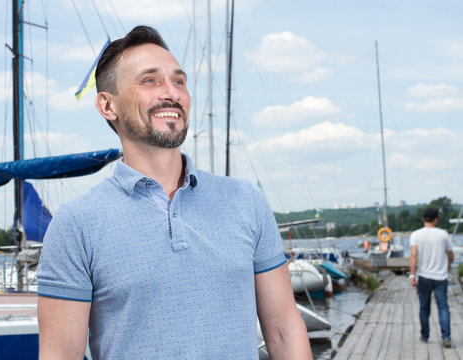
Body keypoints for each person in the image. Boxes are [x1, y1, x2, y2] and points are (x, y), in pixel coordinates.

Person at [37, 25, 311, 360]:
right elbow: (60, 354)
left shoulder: (245, 200)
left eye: (178, 81)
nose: (172, 93)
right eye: (150, 80)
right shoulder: (76, 223)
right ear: (108, 106)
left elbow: (284, 331)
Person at [409, 207, 454, 348]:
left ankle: (424, 335)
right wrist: (448, 266)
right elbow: (450, 255)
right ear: (436, 219)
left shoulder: (416, 235)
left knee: (424, 307)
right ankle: (446, 337)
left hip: (424, 276)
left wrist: (412, 275)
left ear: (423, 219)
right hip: (441, 277)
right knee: (443, 307)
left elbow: (414, 255)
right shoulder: (443, 234)